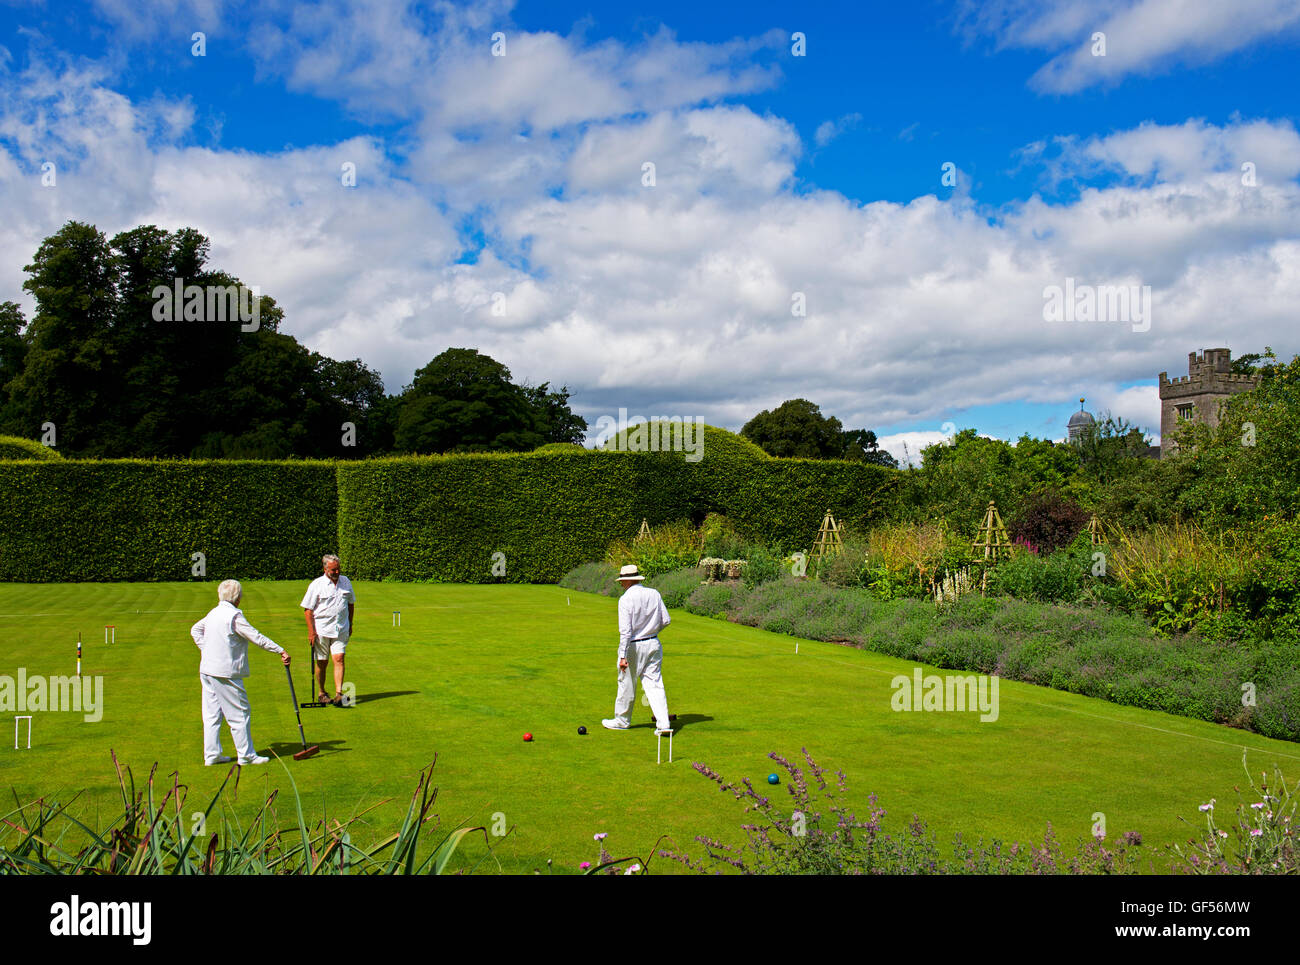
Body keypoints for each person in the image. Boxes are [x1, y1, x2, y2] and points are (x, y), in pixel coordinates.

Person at [191, 579, 290, 766]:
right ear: (237, 597)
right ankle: (246, 755)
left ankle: (212, 755)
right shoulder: (234, 616)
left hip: (207, 669)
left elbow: (196, 630)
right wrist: (280, 650)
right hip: (226, 672)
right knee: (240, 712)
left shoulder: (214, 612)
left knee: (212, 713)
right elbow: (256, 637)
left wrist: (207, 651)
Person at [603, 564, 672, 733]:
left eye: (622, 581)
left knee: (626, 683)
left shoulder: (625, 599)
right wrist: (652, 631)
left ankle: (622, 721)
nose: (621, 584)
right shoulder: (654, 593)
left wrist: (622, 656)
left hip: (634, 646)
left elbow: (625, 632)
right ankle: (663, 724)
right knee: (655, 684)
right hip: (654, 643)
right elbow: (666, 620)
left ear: (628, 581)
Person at [301, 554, 356, 706]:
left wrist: (350, 623)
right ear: (325, 569)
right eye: (333, 570)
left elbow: (351, 603)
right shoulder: (316, 585)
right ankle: (322, 692)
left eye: (338, 569)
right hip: (322, 630)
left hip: (341, 629)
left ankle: (339, 694)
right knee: (322, 663)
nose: (337, 572)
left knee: (339, 658)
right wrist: (311, 631)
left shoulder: (346, 582)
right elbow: (308, 610)